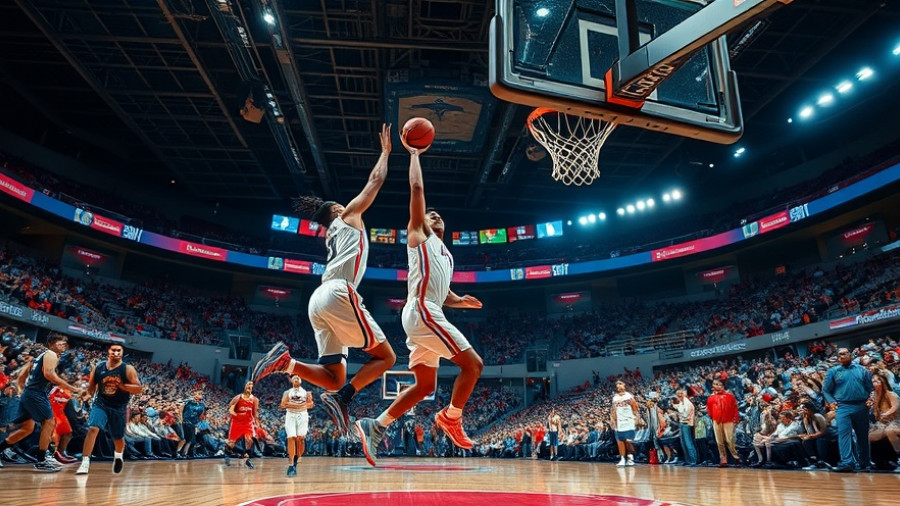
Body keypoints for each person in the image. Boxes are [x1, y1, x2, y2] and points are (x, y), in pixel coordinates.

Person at [252, 124, 397, 435]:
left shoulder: (332, 232)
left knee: (334, 377)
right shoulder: (348, 216)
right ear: (336, 210)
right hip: (338, 292)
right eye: (341, 205)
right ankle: (343, 399)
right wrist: (385, 153)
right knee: (387, 357)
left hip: (319, 299)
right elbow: (375, 181)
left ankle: (286, 364)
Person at [353, 126, 484, 467]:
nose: (434, 214)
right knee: (473, 365)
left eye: (438, 215)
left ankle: (376, 425)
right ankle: (451, 417)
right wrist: (413, 155)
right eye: (429, 213)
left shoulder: (447, 255)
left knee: (425, 386)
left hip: (428, 310)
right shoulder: (418, 234)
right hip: (423, 312)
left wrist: (459, 300)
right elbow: (416, 188)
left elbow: (444, 292)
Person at [0, 335, 81, 472]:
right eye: (60, 344)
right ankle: (42, 460)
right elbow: (49, 375)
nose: (63, 347)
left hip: (29, 394)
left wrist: (22, 391)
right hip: (37, 394)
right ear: (51, 344)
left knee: (26, 429)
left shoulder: (38, 358)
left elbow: (21, 378)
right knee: (48, 422)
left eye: (64, 345)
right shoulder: (51, 354)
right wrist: (72, 388)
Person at [76, 343, 143, 475]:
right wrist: (87, 395)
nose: (116, 353)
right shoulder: (99, 367)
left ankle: (118, 456)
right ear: (108, 351)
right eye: (114, 350)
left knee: (118, 438)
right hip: (101, 404)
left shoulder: (127, 369)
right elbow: (91, 388)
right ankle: (85, 462)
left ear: (122, 353)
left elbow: (139, 389)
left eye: (119, 351)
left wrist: (124, 386)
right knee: (93, 429)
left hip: (119, 407)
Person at [822, 347, 873, 472]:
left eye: (845, 353)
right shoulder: (833, 371)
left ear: (850, 354)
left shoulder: (862, 370)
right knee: (844, 434)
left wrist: (871, 398)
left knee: (862, 436)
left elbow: (871, 388)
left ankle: (865, 462)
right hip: (843, 406)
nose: (842, 356)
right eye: (840, 354)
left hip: (861, 406)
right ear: (837, 357)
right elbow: (826, 390)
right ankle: (847, 462)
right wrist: (831, 401)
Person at [280, 375, 313, 477]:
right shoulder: (287, 392)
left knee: (300, 439)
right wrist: (298, 405)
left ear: (301, 381)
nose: (296, 378)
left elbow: (311, 404)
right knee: (291, 437)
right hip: (291, 415)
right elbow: (282, 405)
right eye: (294, 378)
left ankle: (296, 460)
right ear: (291, 381)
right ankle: (291, 465)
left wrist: (296, 405)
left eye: (298, 377)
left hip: (302, 415)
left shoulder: (307, 393)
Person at [867, 369, 900, 470]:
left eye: (877, 380)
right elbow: (873, 412)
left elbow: (895, 407)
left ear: (883, 381)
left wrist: (886, 413)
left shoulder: (891, 394)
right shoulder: (874, 395)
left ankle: (898, 456)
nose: (875, 382)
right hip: (882, 423)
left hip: (896, 421)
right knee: (867, 436)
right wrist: (870, 405)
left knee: (890, 431)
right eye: (873, 381)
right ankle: (873, 460)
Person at [224, 381, 259, 469]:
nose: (249, 386)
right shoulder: (238, 397)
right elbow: (230, 409)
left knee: (249, 440)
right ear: (244, 386)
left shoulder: (255, 400)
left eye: (251, 385)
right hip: (237, 422)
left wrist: (256, 422)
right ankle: (227, 452)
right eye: (247, 384)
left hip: (248, 423)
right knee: (231, 444)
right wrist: (238, 415)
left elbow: (255, 413)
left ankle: (247, 459)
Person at [707, 378, 741, 467]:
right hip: (717, 421)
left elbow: (735, 408)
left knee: (730, 440)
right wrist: (714, 417)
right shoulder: (711, 397)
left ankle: (736, 457)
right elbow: (709, 409)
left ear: (723, 386)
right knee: (719, 441)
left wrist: (735, 419)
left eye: (719, 384)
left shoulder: (730, 396)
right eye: (715, 384)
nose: (717, 386)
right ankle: (723, 459)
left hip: (728, 421)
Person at [610, 381, 640, 467]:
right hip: (619, 422)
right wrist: (613, 419)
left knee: (628, 441)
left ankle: (630, 458)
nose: (619, 386)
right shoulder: (615, 398)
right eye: (617, 385)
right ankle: (622, 459)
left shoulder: (629, 396)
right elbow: (614, 409)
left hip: (629, 420)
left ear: (624, 385)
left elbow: (635, 407)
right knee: (620, 441)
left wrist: (637, 418)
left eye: (620, 384)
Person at [674, 389, 698, 466]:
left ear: (684, 394)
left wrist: (677, 411)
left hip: (686, 424)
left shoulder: (687, 403)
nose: (679, 395)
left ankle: (693, 460)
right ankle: (688, 460)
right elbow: (679, 409)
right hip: (682, 423)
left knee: (688, 442)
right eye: (678, 394)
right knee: (683, 443)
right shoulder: (681, 403)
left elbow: (685, 414)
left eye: (681, 393)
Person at [180, 390, 207, 458]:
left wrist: (198, 425)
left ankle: (188, 454)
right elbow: (181, 409)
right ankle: (183, 453)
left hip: (194, 424)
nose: (200, 395)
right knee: (190, 440)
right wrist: (182, 419)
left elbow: (201, 416)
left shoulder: (202, 405)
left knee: (192, 440)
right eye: (198, 394)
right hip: (187, 422)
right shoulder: (189, 402)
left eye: (201, 394)